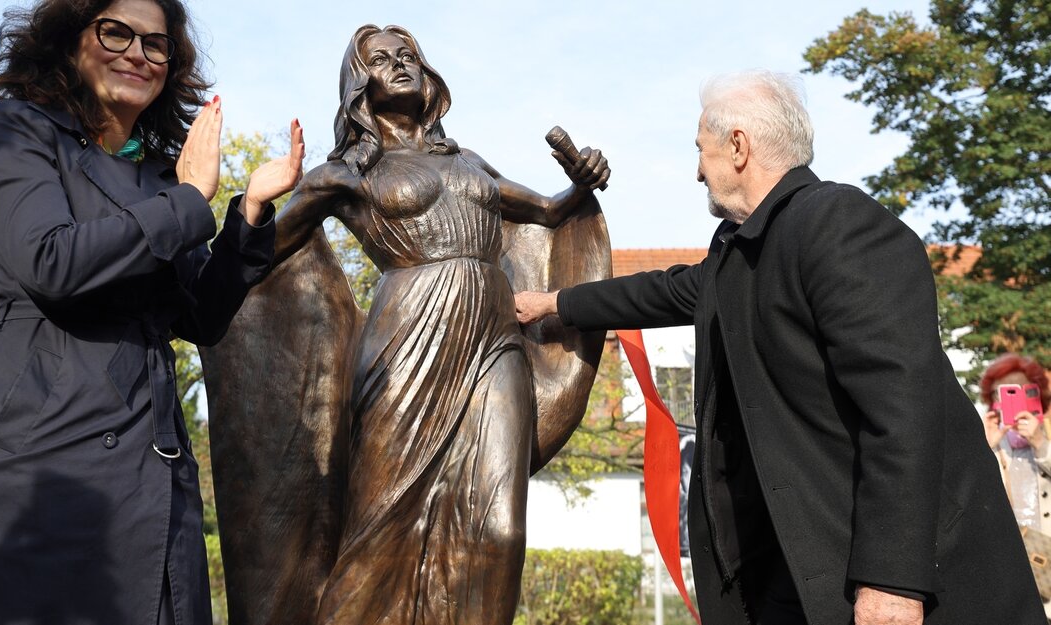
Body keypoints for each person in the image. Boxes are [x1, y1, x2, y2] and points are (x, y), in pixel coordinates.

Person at [514, 70, 1043, 625]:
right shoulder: (740, 254)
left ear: (738, 146)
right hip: (792, 579)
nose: (697, 171)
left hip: (899, 589)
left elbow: (904, 413)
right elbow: (665, 290)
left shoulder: (840, 225)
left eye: (701, 150)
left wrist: (892, 581)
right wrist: (553, 305)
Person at [0, 0, 303, 622]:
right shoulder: (16, 130)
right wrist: (190, 199)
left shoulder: (163, 176)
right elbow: (49, 261)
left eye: (156, 44)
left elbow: (199, 318)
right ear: (68, 41)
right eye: (116, 32)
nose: (137, 53)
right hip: (31, 456)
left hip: (150, 459)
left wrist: (248, 215)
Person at [209, 24, 608, 625]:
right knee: (381, 524)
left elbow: (549, 210)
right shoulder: (342, 173)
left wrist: (583, 178)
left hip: (494, 338)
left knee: (498, 526)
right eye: (380, 59)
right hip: (405, 344)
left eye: (409, 56)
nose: (399, 64)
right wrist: (256, 203)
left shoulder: (466, 160)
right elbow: (257, 257)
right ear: (358, 84)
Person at [979, 353, 1051, 617]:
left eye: (1020, 391)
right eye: (1003, 393)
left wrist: (1040, 443)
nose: (1010, 399)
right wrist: (985, 445)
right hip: (1009, 565)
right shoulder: (991, 442)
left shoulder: (1046, 437)